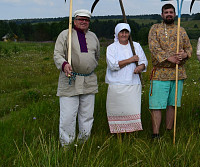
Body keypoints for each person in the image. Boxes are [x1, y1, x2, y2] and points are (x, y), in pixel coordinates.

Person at [53, 9, 100, 146]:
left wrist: (89, 66)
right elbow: (57, 54)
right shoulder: (65, 34)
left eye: (86, 20)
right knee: (68, 116)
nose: (83, 22)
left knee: (87, 115)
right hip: (70, 79)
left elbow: (97, 56)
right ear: (74, 20)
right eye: (80, 19)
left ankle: (84, 142)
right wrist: (64, 64)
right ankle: (67, 145)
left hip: (89, 80)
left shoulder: (93, 36)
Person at [148, 3, 192, 138]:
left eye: (171, 12)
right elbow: (153, 47)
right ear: (162, 15)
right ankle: (155, 134)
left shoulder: (181, 30)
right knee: (156, 105)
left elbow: (189, 48)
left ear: (175, 14)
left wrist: (185, 55)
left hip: (177, 73)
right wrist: (169, 58)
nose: (169, 14)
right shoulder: (155, 29)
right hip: (160, 73)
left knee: (172, 104)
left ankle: (168, 131)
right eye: (166, 12)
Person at [105, 23, 148, 134]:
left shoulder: (136, 46)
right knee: (117, 112)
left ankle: (132, 134)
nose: (124, 35)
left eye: (126, 32)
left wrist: (140, 67)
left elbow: (144, 61)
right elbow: (113, 65)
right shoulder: (111, 48)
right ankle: (118, 133)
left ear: (129, 33)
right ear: (117, 34)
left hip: (133, 84)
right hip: (116, 85)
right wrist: (131, 60)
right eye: (121, 32)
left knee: (132, 111)